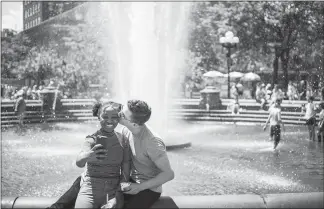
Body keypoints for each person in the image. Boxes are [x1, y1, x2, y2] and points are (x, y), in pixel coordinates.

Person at [117, 99, 175, 208]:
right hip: (131, 182)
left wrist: (139, 187)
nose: (118, 114)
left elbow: (169, 174)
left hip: (149, 189)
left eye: (122, 115)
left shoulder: (152, 143)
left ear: (134, 123)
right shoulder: (126, 130)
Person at [74, 101, 131, 209]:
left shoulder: (124, 140)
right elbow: (79, 162)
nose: (109, 120)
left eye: (114, 117)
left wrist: (117, 197)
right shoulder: (91, 139)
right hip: (90, 188)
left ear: (119, 118)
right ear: (98, 117)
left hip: (114, 190)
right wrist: (88, 155)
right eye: (105, 116)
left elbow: (125, 173)